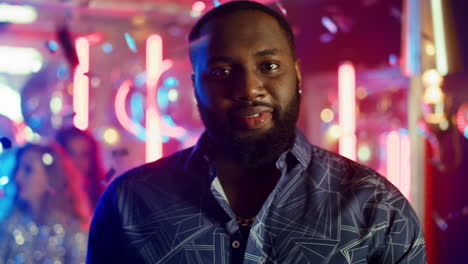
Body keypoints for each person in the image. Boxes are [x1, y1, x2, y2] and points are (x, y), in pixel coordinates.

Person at [87, 1, 426, 263]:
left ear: (296, 75)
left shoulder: (376, 207)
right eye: (221, 71)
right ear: (196, 87)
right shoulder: (130, 204)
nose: (249, 88)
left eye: (269, 66)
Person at [0, 143, 92, 263]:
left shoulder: (72, 230)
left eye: (28, 169)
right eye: (18, 168)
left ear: (50, 177)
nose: (18, 177)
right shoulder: (9, 224)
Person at [56, 127, 106, 208]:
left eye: (84, 154)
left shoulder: (103, 197)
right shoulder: (52, 198)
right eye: (72, 154)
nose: (78, 161)